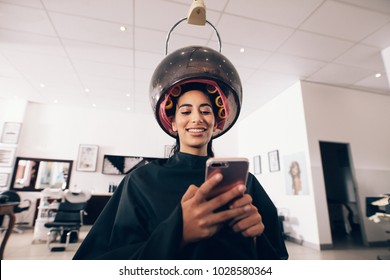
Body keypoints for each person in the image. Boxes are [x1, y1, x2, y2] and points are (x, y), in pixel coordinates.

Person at [73, 46, 288, 260]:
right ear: (173, 123)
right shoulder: (140, 182)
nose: (197, 118)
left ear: (216, 123)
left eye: (205, 111)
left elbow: (277, 258)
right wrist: (178, 233)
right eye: (186, 111)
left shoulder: (244, 183)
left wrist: (257, 238)